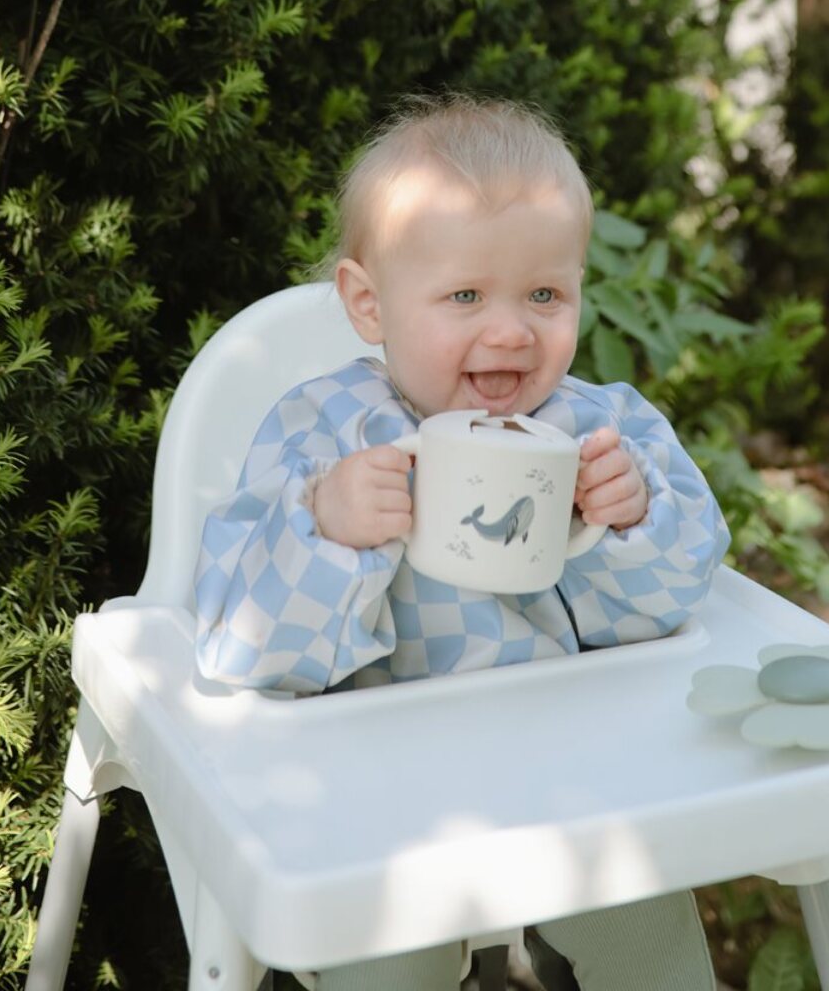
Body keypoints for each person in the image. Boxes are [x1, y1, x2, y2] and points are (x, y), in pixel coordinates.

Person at [194, 94, 731, 990]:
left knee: (651, 925)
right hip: (380, 797)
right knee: (382, 953)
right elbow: (236, 642)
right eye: (467, 295)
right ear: (370, 304)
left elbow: (681, 599)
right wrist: (327, 527)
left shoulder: (601, 429)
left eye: (545, 294)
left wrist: (629, 520)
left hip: (575, 773)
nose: (512, 330)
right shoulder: (323, 434)